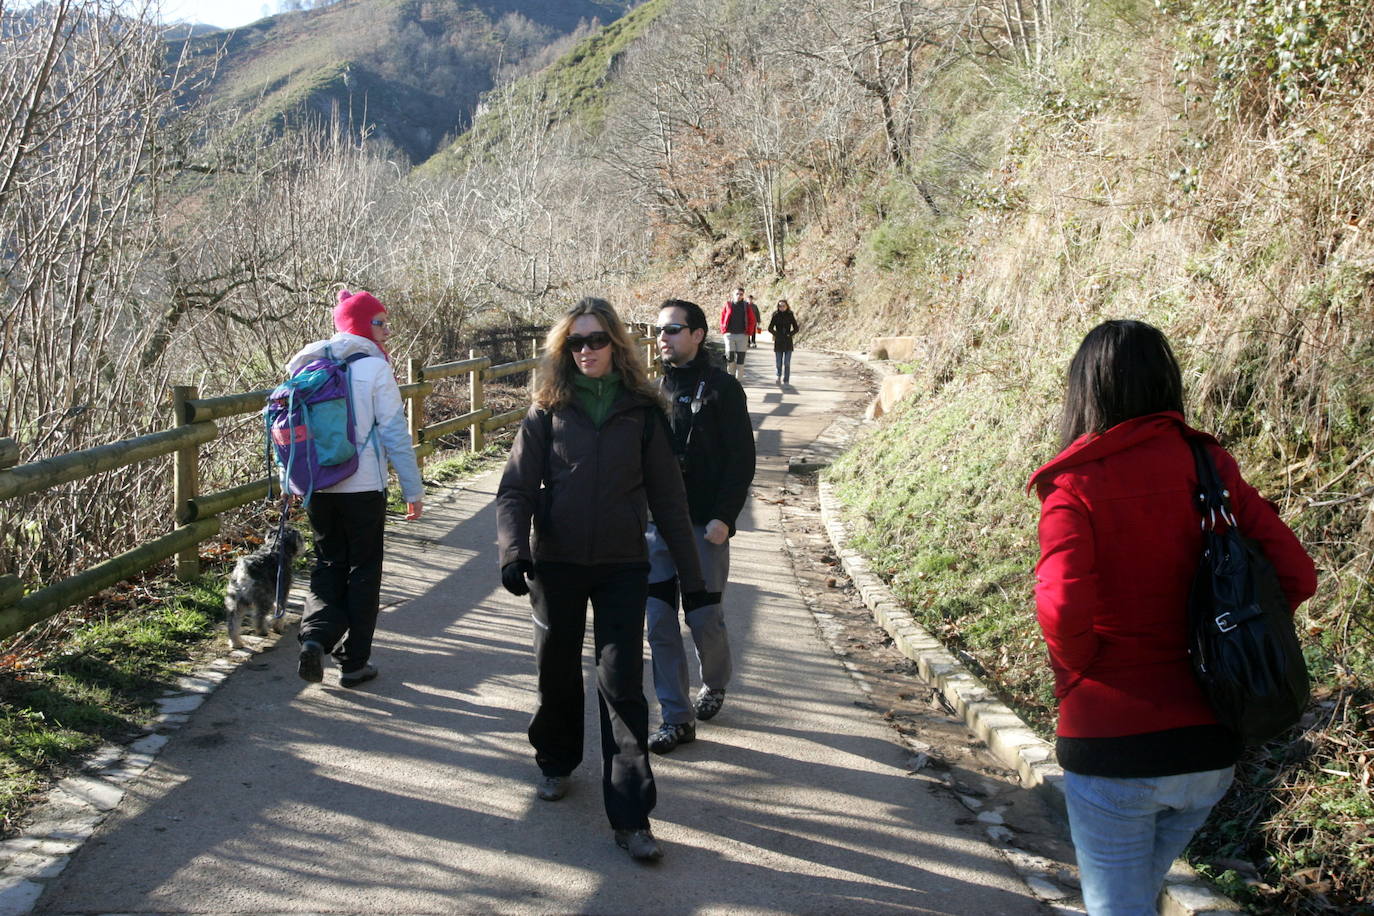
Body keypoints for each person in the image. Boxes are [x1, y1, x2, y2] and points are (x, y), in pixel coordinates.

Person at [1027, 320, 1316, 916]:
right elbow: (1296, 576)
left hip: (1112, 744)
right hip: (1211, 743)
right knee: (1137, 899)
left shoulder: (1073, 485)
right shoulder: (1210, 468)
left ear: (1085, 391)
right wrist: (1228, 638)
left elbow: (1060, 607)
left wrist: (1082, 673)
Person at [496, 297, 712, 862]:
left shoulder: (642, 411)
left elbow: (669, 500)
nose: (586, 351)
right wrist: (513, 551)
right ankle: (556, 760)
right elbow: (516, 489)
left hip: (622, 564)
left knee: (622, 686)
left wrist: (694, 583)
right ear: (563, 349)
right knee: (556, 671)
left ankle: (632, 815)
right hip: (557, 563)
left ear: (616, 345)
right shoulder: (547, 409)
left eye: (596, 340)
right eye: (575, 342)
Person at [294, 289, 424, 689]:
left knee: (328, 563)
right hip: (363, 486)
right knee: (363, 571)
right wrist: (412, 488)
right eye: (380, 322)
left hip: (318, 486)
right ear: (361, 325)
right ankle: (354, 662)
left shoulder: (306, 363)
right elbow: (394, 433)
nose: (387, 331)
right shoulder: (374, 368)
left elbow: (292, 432)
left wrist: (290, 482)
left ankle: (315, 637)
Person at [645, 299, 756, 754]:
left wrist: (725, 518)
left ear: (697, 334)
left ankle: (716, 680)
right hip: (656, 529)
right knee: (658, 621)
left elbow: (741, 460)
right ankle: (676, 717)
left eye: (672, 329)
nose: (663, 337)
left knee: (704, 617)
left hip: (704, 527)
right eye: (659, 330)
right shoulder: (650, 392)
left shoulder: (724, 390)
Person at [719, 287, 755, 380]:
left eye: (741, 294)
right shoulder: (728, 304)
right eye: (737, 294)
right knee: (729, 357)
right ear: (733, 294)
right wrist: (723, 330)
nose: (739, 296)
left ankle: (738, 381)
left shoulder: (746, 306)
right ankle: (731, 378)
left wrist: (749, 332)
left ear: (743, 295)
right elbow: (722, 317)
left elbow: (752, 320)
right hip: (729, 335)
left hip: (742, 335)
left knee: (740, 359)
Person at [767, 299, 799, 385]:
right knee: (778, 362)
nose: (782, 307)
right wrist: (776, 334)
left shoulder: (790, 315)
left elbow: (796, 328)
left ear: (787, 306)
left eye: (783, 306)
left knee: (787, 362)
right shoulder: (775, 315)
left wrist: (790, 334)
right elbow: (770, 328)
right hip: (779, 341)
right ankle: (778, 376)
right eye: (780, 306)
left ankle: (786, 379)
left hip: (788, 341)